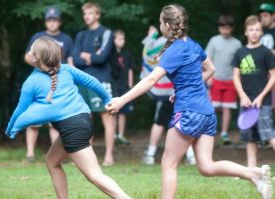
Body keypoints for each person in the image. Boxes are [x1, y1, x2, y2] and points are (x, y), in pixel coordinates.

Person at [106, 5, 273, 199]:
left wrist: (122, 100)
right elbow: (211, 69)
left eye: (161, 22)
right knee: (206, 166)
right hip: (206, 113)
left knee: (169, 163)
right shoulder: (193, 44)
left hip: (189, 112)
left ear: (167, 25)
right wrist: (186, 87)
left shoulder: (174, 50)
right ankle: (252, 173)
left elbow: (151, 80)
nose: (160, 25)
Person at [5, 37, 131, 199]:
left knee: (95, 176)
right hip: (84, 121)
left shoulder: (32, 82)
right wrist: (106, 99)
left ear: (35, 58)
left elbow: (20, 111)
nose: (28, 52)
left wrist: (10, 129)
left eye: (30, 50)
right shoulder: (66, 69)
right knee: (52, 162)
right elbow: (93, 82)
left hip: (72, 129)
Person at [140, 26, 195, 165]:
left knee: (159, 122)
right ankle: (191, 156)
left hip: (164, 91)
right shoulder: (184, 43)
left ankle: (151, 154)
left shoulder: (159, 43)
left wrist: (151, 36)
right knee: (183, 120)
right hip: (179, 89)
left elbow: (147, 53)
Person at [24, 5, 74, 163]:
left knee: (55, 121)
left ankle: (56, 154)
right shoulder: (38, 36)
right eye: (49, 20)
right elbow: (27, 56)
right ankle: (30, 154)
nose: (52, 22)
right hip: (39, 80)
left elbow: (70, 61)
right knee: (34, 119)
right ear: (46, 22)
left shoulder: (66, 39)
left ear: (59, 22)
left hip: (58, 81)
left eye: (55, 20)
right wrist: (40, 66)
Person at [72, 2, 116, 166]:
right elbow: (75, 59)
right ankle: (87, 159)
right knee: (85, 118)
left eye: (90, 13)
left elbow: (102, 57)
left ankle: (109, 157)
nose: (87, 16)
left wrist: (86, 56)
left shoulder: (106, 32)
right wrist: (91, 56)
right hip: (83, 80)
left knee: (107, 116)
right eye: (85, 14)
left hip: (102, 79)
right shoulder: (81, 35)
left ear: (97, 14)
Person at [232, 15, 275, 169]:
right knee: (250, 138)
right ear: (245, 32)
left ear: (262, 32)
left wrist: (261, 97)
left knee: (269, 135)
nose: (254, 32)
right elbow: (236, 76)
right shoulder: (240, 52)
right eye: (251, 30)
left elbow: (273, 76)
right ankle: (251, 171)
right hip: (246, 102)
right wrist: (243, 96)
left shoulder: (266, 52)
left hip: (263, 102)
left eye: (257, 29)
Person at [205, 15, 242, 145]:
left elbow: (240, 64)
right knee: (213, 107)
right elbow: (207, 59)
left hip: (231, 80)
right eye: (222, 28)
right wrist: (208, 76)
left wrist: (238, 79)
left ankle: (224, 133)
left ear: (231, 28)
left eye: (227, 28)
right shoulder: (214, 41)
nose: (225, 31)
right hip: (216, 78)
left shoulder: (237, 43)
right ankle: (210, 130)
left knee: (227, 108)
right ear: (219, 28)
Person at [111, 30, 135, 145]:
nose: (122, 41)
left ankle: (121, 134)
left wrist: (130, 85)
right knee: (112, 111)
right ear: (113, 40)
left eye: (123, 39)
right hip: (113, 87)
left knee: (123, 112)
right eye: (119, 39)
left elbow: (130, 69)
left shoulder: (127, 54)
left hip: (124, 87)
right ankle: (113, 135)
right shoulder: (110, 54)